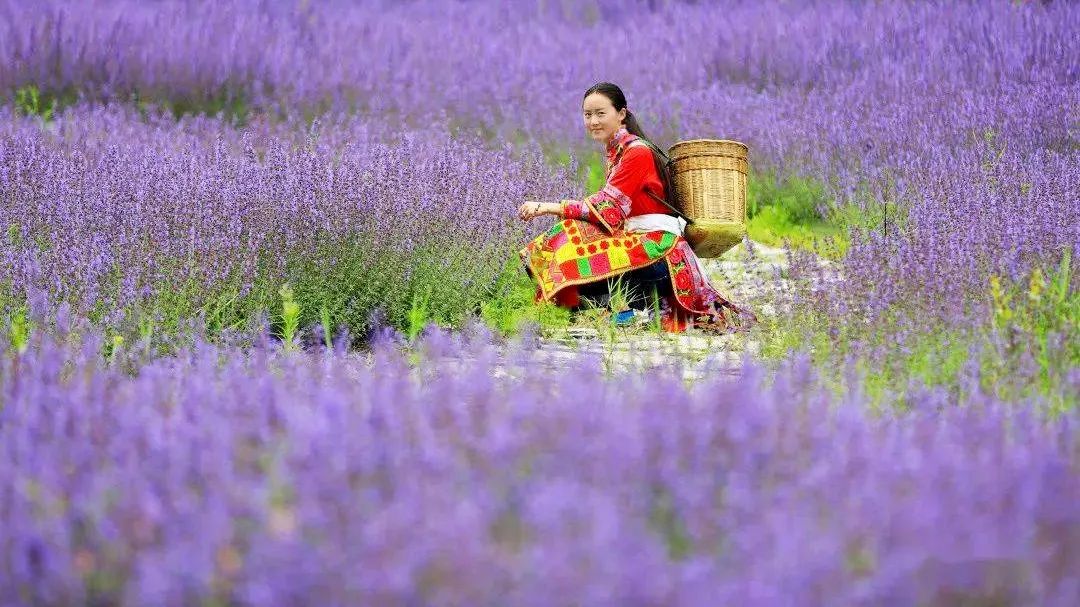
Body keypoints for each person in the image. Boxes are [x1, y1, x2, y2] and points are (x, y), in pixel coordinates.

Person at [518, 82, 756, 333]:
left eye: (601, 113)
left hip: (661, 251)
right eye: (587, 115)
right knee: (567, 239)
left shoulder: (637, 153)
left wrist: (546, 207)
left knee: (568, 234)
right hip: (643, 243)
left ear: (621, 114)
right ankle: (614, 308)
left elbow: (607, 207)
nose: (593, 121)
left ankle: (622, 307)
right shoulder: (617, 153)